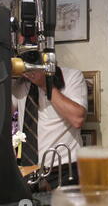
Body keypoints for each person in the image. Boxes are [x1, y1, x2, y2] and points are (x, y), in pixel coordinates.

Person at [12, 50, 88, 189]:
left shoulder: (71, 76)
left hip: (64, 170)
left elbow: (78, 118)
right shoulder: (19, 84)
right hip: (28, 172)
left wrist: (44, 83)